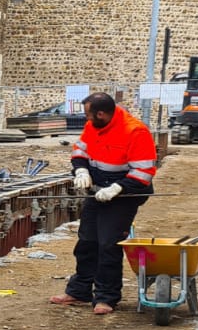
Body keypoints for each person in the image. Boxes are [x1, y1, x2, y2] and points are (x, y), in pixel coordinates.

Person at [50, 92, 157, 315]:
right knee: (87, 240)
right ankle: (79, 291)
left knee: (108, 244)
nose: (86, 120)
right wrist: (80, 169)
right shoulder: (93, 126)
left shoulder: (134, 131)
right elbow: (80, 150)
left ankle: (107, 297)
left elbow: (144, 172)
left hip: (125, 195)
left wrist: (117, 188)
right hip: (97, 191)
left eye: (89, 115)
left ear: (101, 113)